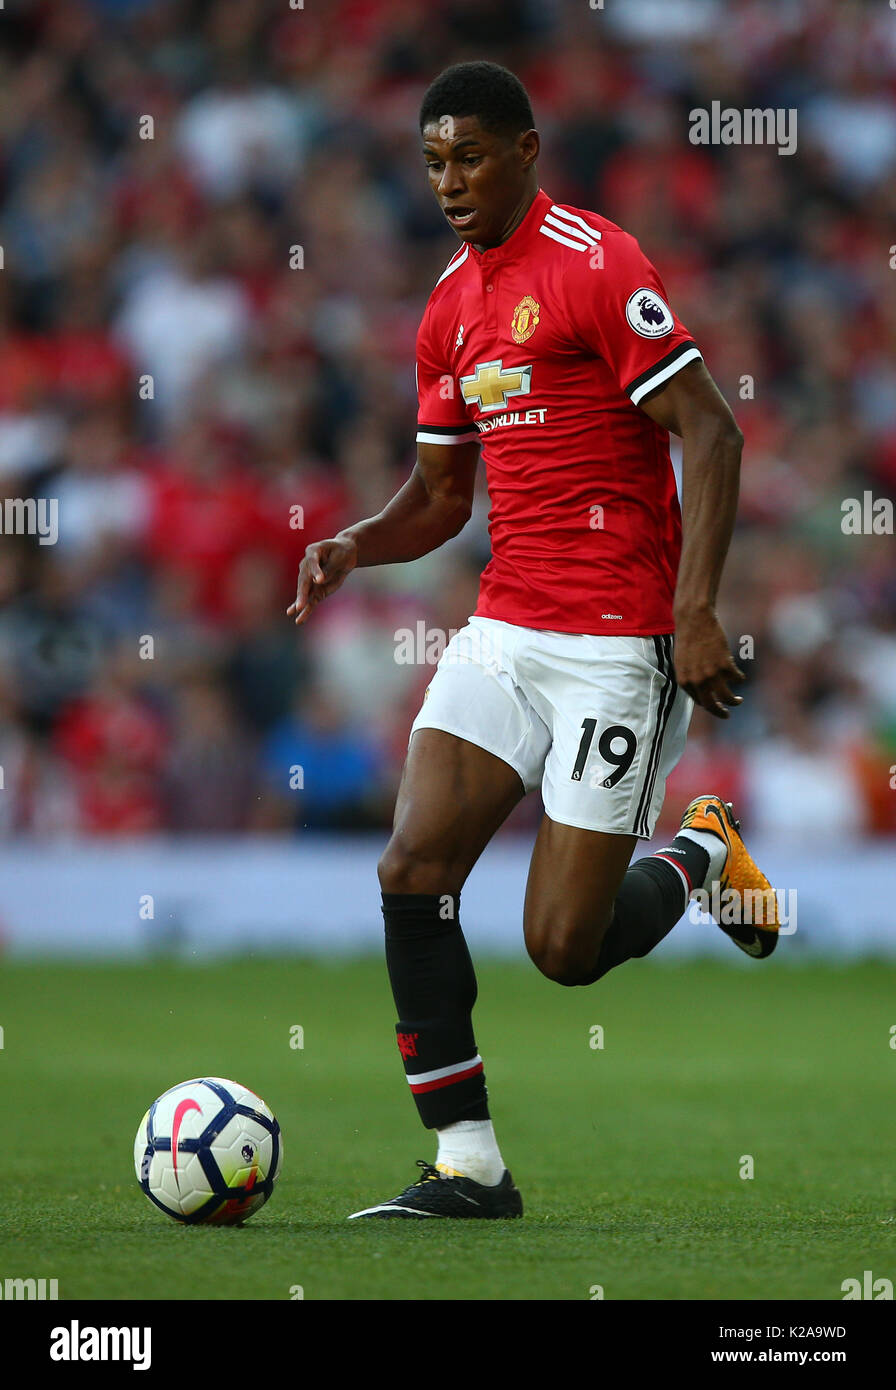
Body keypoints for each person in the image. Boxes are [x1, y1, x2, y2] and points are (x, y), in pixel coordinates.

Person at [288, 61, 779, 1220]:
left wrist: (694, 610)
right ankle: (468, 1166)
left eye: (467, 156)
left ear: (523, 151)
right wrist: (356, 542)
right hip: (507, 625)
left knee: (562, 947)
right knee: (411, 869)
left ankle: (700, 850)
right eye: (430, 162)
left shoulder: (595, 264)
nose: (448, 181)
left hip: (618, 638)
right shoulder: (448, 306)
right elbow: (441, 495)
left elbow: (708, 435)